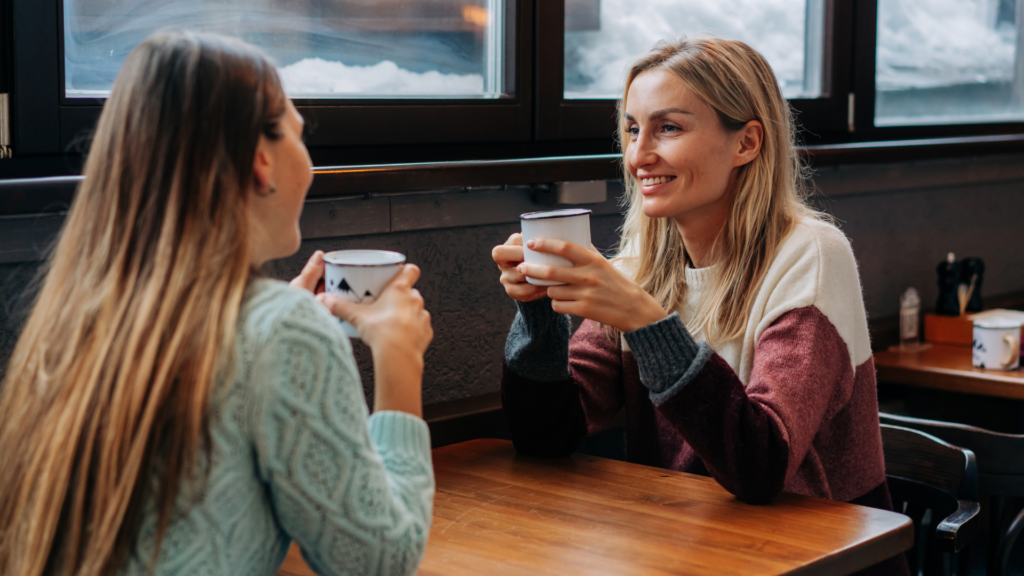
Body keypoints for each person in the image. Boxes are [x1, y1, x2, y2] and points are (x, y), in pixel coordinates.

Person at [0, 32, 434, 576]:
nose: (311, 163)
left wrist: (274, 341)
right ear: (261, 161)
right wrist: (399, 360)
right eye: (300, 136)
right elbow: (379, 561)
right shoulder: (282, 330)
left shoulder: (72, 318)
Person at [493, 37, 907, 575]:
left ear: (747, 142)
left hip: (818, 561)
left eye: (669, 128)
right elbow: (546, 436)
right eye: (632, 129)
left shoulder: (812, 256)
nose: (639, 156)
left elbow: (760, 464)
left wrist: (645, 321)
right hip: (685, 551)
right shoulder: (641, 264)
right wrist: (540, 311)